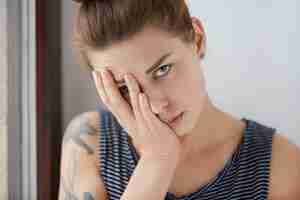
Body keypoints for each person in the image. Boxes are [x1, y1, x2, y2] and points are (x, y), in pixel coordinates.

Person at [58, 0, 300, 199]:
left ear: (197, 39)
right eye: (125, 88)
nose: (155, 105)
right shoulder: (90, 143)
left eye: (162, 69)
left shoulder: (279, 166)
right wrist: (156, 163)